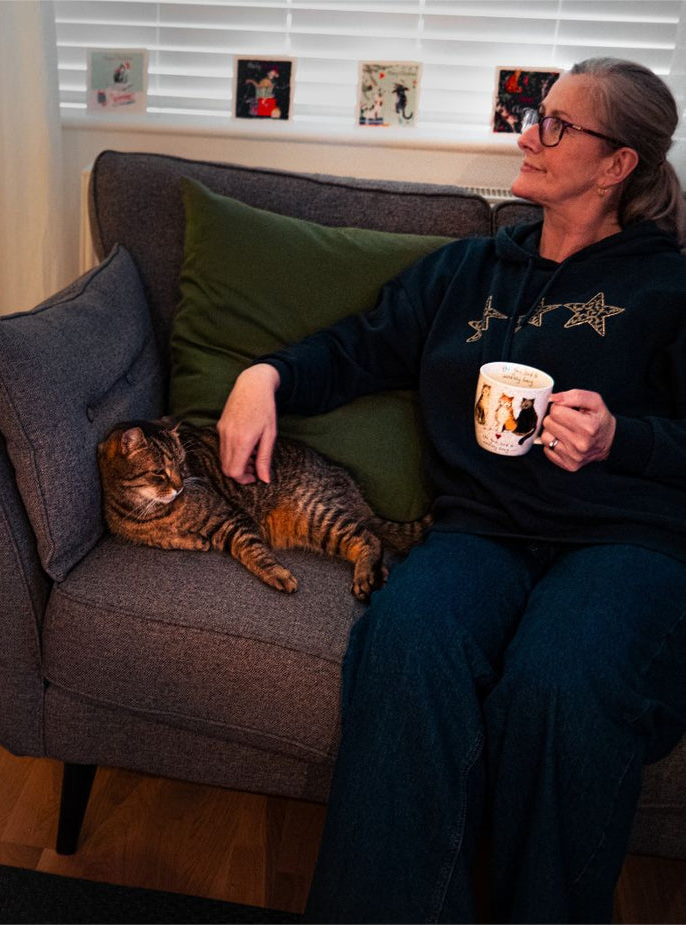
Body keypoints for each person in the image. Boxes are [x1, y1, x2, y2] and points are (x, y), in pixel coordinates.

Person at [216, 58, 686, 923]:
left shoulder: (669, 285)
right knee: (403, 643)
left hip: (626, 538)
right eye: (533, 115)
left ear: (617, 163)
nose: (526, 135)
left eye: (554, 124)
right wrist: (265, 376)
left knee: (562, 682)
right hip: (479, 531)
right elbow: (358, 347)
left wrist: (626, 435)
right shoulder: (467, 272)